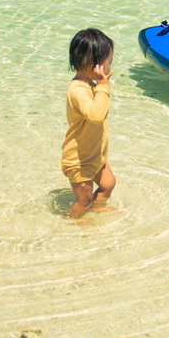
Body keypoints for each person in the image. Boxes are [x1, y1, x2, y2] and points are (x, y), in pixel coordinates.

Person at [61, 28, 117, 219]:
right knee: (82, 201)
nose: (110, 67)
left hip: (94, 155)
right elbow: (96, 116)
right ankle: (74, 223)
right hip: (79, 159)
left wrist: (99, 86)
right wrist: (103, 86)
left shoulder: (90, 84)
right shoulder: (78, 90)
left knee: (108, 185)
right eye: (109, 62)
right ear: (95, 65)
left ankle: (96, 208)